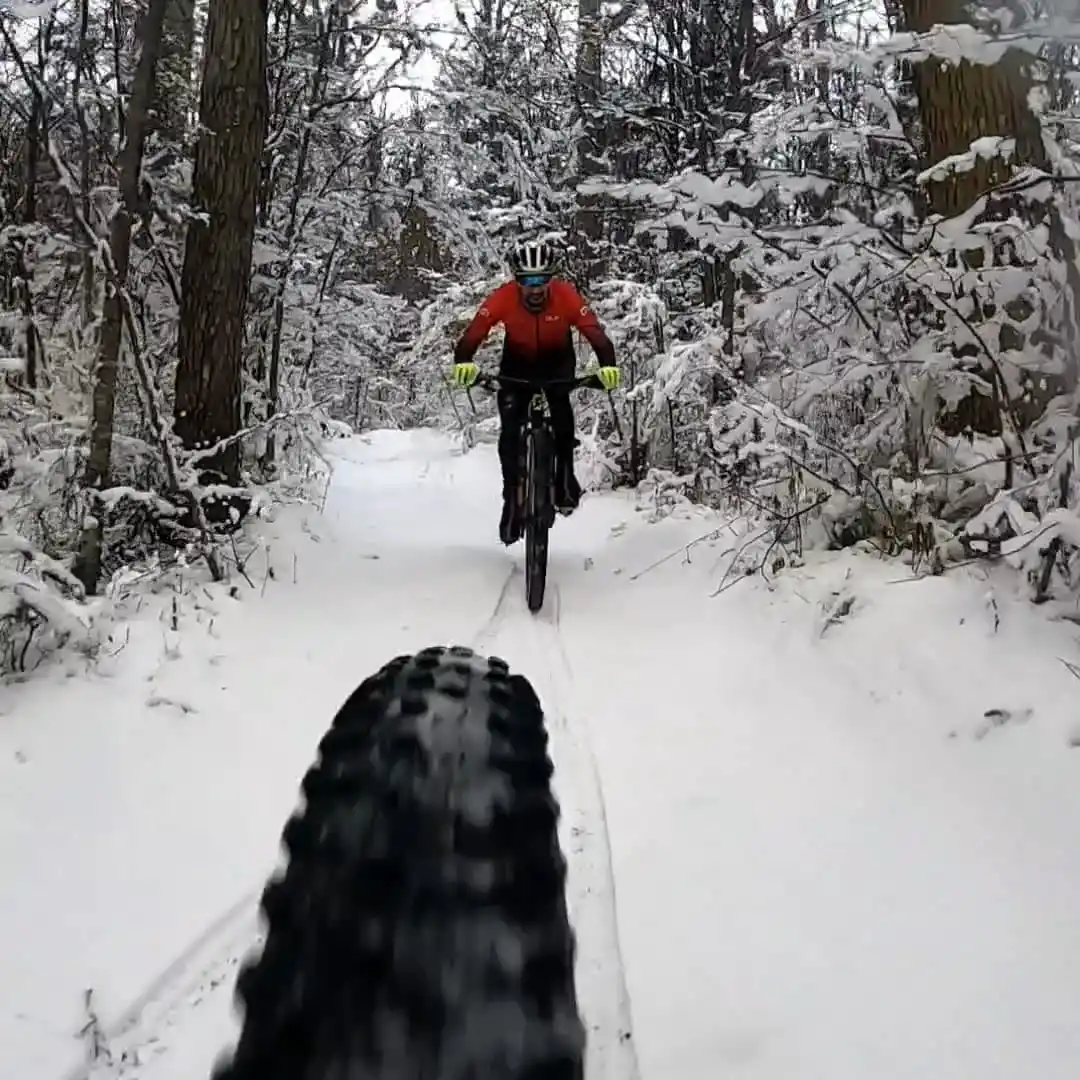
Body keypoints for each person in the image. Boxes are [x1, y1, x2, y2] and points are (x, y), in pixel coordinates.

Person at [451, 239, 620, 545]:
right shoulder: (503, 298)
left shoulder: (566, 296)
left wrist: (608, 364)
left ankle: (565, 476)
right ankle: (512, 500)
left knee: (562, 415)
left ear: (551, 277)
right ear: (517, 280)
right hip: (516, 368)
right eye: (528, 280)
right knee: (510, 432)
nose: (536, 288)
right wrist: (463, 362)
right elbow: (474, 332)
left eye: (542, 279)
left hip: (558, 366)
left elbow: (595, 332)